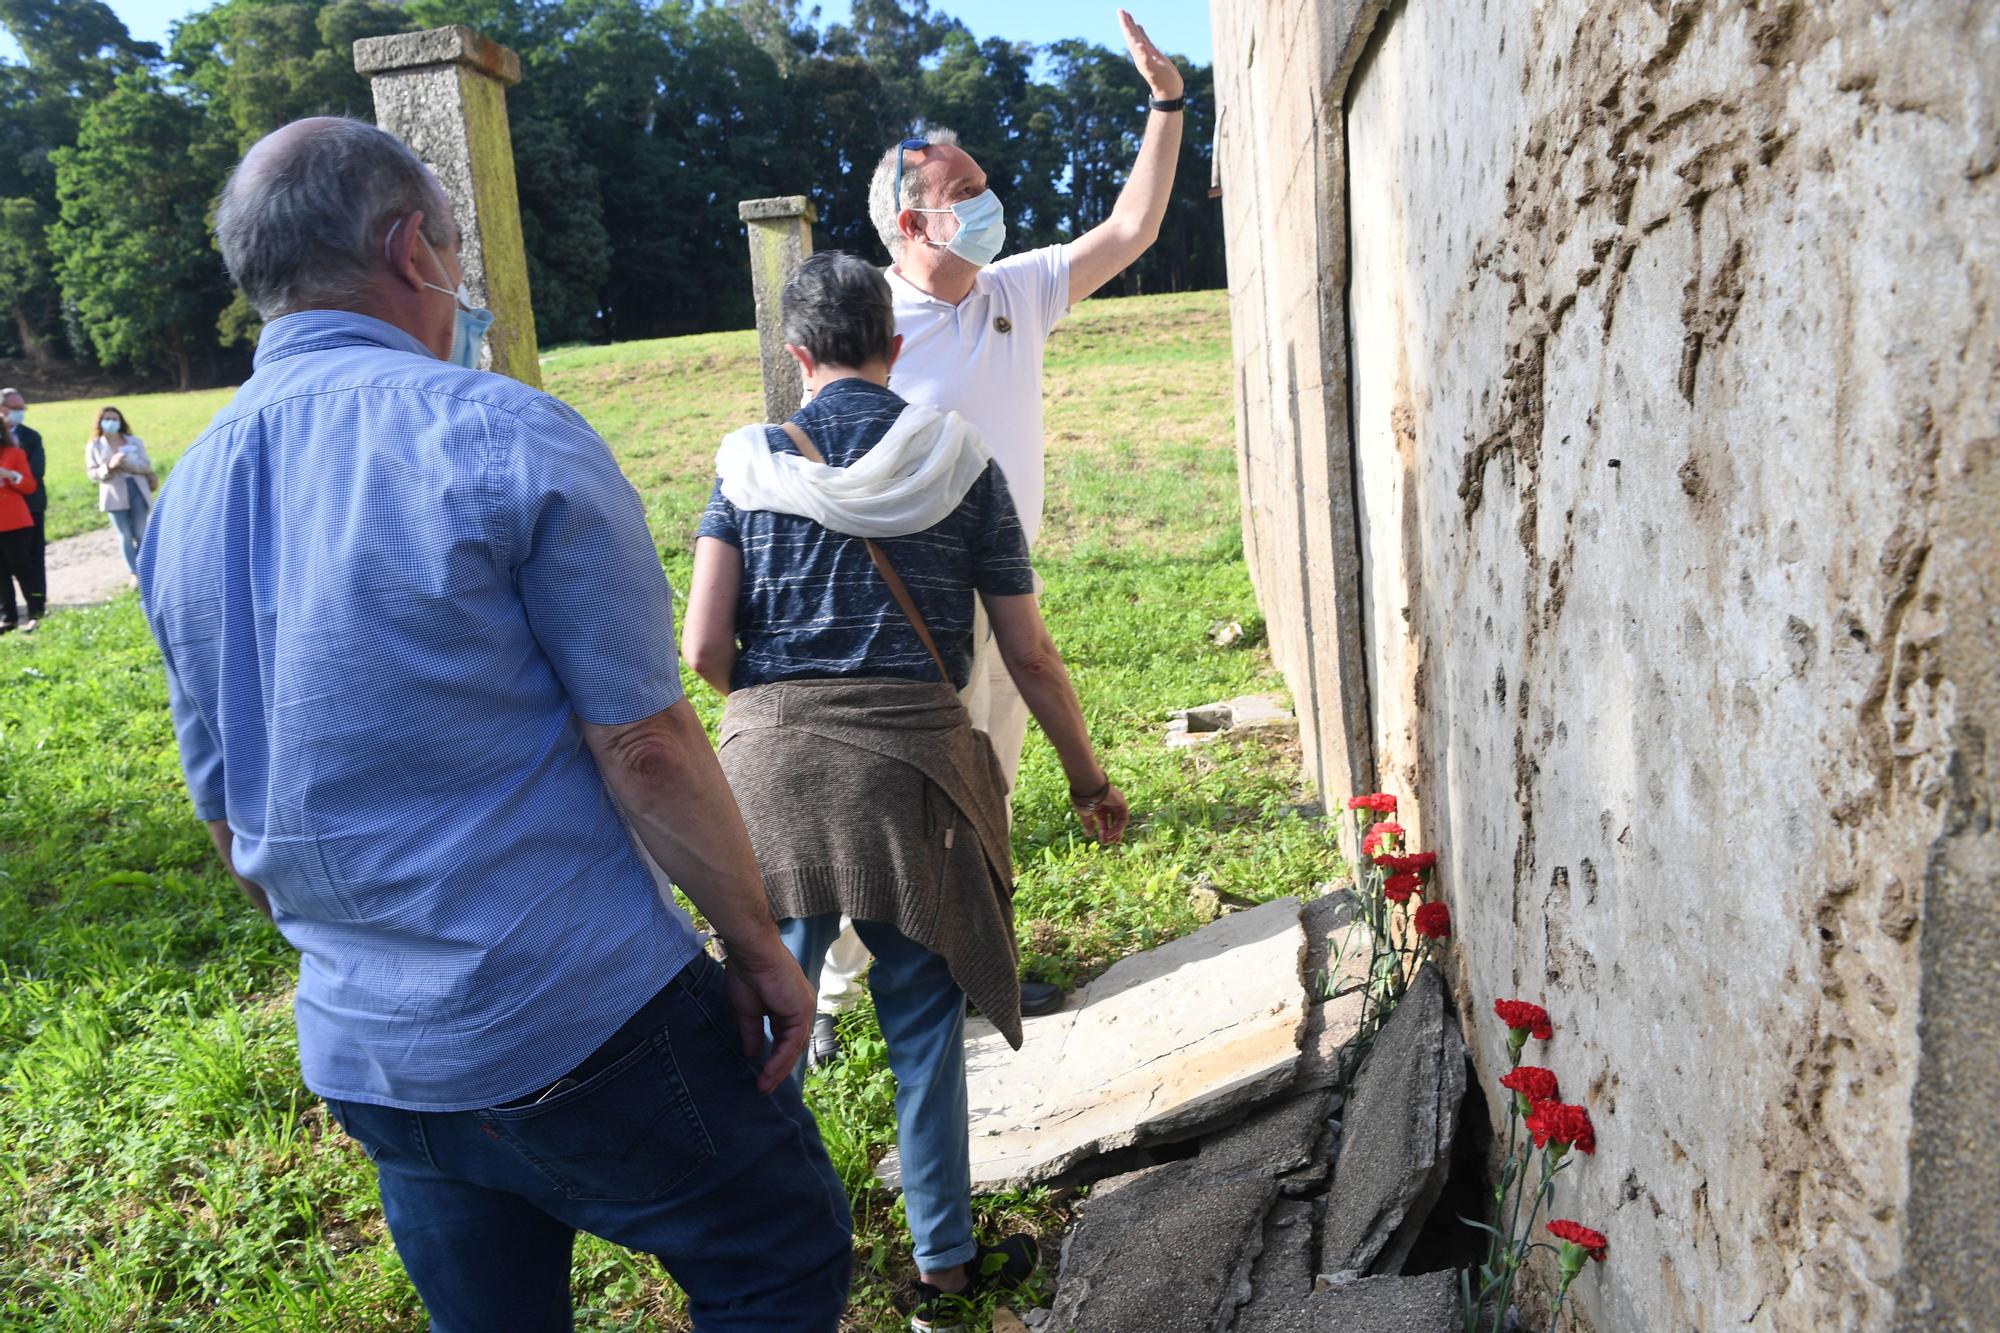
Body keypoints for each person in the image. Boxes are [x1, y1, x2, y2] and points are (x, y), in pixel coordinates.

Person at [139, 117, 851, 1331]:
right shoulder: (501, 433)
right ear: (411, 246)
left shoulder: (182, 496)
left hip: (369, 1052)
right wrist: (760, 948)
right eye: (453, 247)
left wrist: (369, 958)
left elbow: (223, 814)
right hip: (574, 1009)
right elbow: (645, 744)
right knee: (779, 1253)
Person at [681, 251, 1129, 1331]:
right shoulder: (958, 461)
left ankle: (775, 1264)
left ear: (795, 355)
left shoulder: (745, 466)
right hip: (916, 781)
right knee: (924, 1026)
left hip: (771, 786)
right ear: (894, 343)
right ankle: (944, 1270)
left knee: (764, 1031)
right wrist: (1085, 778)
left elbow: (699, 647)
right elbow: (1026, 652)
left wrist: (786, 708)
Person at [804, 8, 1187, 1037]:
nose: (986, 202)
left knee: (986, 797)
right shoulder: (866, 327)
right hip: (897, 610)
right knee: (888, 810)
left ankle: (971, 976)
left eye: (982, 184)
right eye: (960, 194)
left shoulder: (1015, 290)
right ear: (909, 224)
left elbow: (1131, 230)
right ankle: (830, 999)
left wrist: (1165, 103)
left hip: (997, 593)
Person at [85, 405, 157, 581]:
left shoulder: (134, 441)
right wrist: (110, 466)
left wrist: (126, 465)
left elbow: (146, 465)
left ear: (120, 421)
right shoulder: (94, 446)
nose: (111, 422)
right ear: (100, 422)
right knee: (124, 535)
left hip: (137, 488)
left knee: (141, 533)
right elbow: (92, 474)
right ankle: (134, 573)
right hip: (113, 494)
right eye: (107, 419)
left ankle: (147, 569)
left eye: (114, 419)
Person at [1, 389, 46, 620]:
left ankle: (37, 609)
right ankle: (8, 616)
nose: (20, 412)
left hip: (25, 510)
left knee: (28, 563)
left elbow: (34, 476)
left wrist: (10, 476)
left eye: (22, 408)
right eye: (15, 408)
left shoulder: (27, 440)